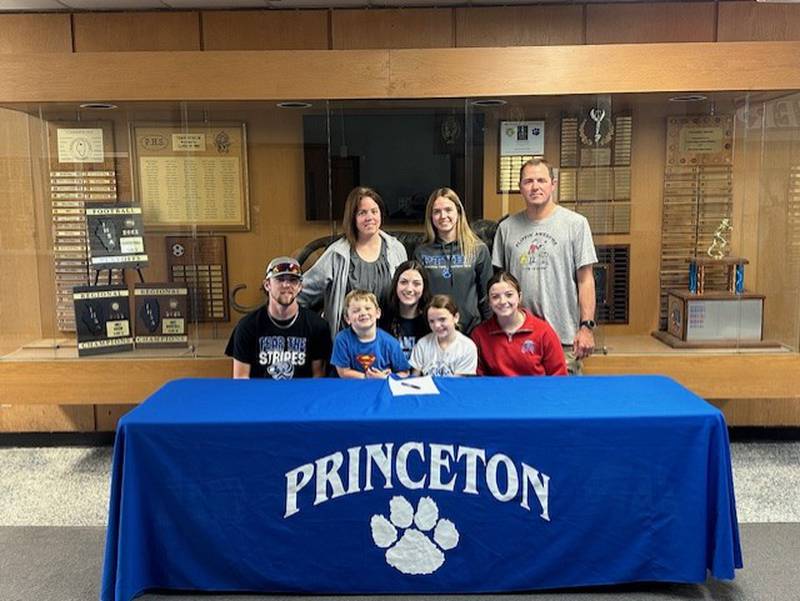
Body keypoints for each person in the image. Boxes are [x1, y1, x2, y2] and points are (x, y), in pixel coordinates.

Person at [492, 158, 597, 374]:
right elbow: (499, 284)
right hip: (518, 337)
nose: (535, 186)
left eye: (541, 180)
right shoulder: (506, 228)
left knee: (564, 403)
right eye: (528, 181)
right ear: (520, 187)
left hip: (564, 337)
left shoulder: (576, 224)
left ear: (553, 184)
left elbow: (585, 280)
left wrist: (586, 327)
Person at [299, 186, 408, 340]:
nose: (370, 217)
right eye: (362, 213)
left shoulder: (396, 249)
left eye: (374, 211)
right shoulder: (337, 254)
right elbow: (302, 292)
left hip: (387, 343)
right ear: (352, 217)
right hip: (347, 346)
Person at [225, 256, 331, 379]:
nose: (286, 285)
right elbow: (241, 379)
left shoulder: (318, 326)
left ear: (300, 286)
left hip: (301, 396)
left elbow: (318, 378)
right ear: (267, 285)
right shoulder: (246, 327)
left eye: (293, 280)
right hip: (261, 396)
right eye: (280, 279)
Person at [414, 187, 492, 334]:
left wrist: (490, 334)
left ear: (458, 212)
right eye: (437, 211)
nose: (443, 216)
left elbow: (486, 298)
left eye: (448, 209)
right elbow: (418, 299)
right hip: (433, 331)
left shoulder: (478, 249)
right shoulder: (421, 252)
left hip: (472, 331)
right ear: (431, 217)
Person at [471, 271, 566, 376]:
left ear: (519, 296)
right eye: (495, 297)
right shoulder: (479, 335)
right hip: (498, 392)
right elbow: (478, 381)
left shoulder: (543, 332)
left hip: (537, 391)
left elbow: (559, 376)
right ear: (489, 302)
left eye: (509, 295)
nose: (503, 301)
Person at [331, 289, 410, 379]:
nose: (363, 313)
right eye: (356, 311)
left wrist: (387, 377)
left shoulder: (391, 343)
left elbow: (405, 372)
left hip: (381, 385)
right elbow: (343, 372)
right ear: (347, 318)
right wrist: (367, 377)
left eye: (368, 308)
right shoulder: (342, 339)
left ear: (378, 313)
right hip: (353, 387)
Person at [410, 294, 477, 377]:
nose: (437, 325)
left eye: (442, 319)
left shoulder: (467, 347)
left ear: (456, 317)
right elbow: (414, 378)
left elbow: (460, 384)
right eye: (432, 321)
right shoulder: (422, 344)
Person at [379, 259, 431, 360]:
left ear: (424, 287)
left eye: (416, 284)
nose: (409, 289)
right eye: (403, 282)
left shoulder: (431, 322)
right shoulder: (382, 320)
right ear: (395, 285)